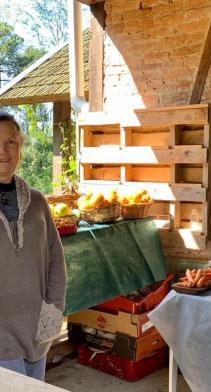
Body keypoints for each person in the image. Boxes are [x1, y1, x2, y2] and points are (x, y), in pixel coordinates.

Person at [0, 110, 67, 381]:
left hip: (35, 331)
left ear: (21, 147)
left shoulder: (37, 202)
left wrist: (53, 311)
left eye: (11, 142)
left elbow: (56, 262)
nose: (3, 151)